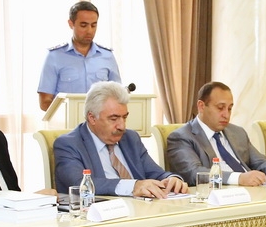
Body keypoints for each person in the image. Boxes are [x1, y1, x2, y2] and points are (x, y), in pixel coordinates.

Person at [54, 81, 187, 198]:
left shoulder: (130, 138)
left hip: (141, 210)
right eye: (113, 119)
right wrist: (132, 186)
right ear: (92, 118)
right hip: (98, 214)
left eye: (124, 117)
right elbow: (80, 184)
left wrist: (171, 179)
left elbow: (156, 173)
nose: (122, 126)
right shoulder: (69, 144)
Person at [167, 81, 266, 185]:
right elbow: (194, 173)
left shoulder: (237, 132)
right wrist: (238, 178)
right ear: (201, 106)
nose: (226, 115)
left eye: (229, 108)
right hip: (216, 197)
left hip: (252, 192)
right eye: (220, 108)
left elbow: (259, 161)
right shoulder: (181, 137)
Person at [37, 1, 121, 111]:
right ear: (71, 24)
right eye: (83, 25)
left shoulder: (107, 56)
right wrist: (69, 113)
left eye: (93, 25)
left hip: (99, 120)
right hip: (67, 120)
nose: (89, 31)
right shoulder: (54, 56)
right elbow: (45, 102)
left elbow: (118, 96)